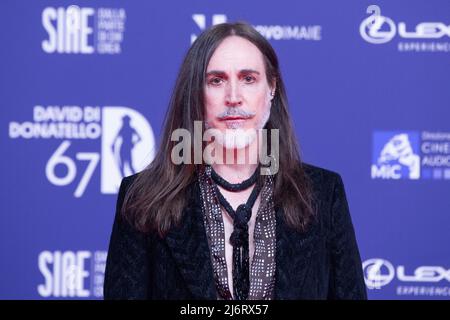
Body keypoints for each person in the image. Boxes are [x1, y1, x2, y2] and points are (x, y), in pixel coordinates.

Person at [103, 22, 367, 300]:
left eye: (248, 79)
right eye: (216, 80)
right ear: (196, 92)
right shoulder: (143, 200)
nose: (233, 97)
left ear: (271, 88)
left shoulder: (323, 193)